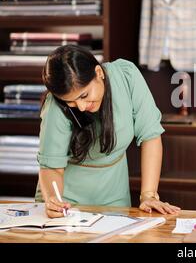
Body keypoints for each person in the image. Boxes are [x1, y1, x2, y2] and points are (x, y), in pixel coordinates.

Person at [36, 45, 180, 218]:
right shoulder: (55, 105)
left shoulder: (127, 76)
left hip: (115, 196)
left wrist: (148, 195)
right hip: (66, 200)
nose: (81, 107)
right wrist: (53, 200)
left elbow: (151, 136)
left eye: (83, 95)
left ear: (99, 73)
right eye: (71, 102)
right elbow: (52, 167)